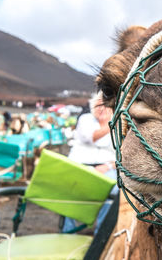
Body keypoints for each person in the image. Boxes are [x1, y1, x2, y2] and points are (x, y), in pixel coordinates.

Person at [63, 93, 117, 234]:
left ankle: (101, 232)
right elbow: (90, 138)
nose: (102, 108)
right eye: (98, 105)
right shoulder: (85, 119)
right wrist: (111, 124)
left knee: (114, 189)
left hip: (107, 166)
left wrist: (108, 166)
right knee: (69, 190)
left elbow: (123, 152)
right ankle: (69, 231)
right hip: (80, 164)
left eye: (106, 105)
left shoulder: (120, 125)